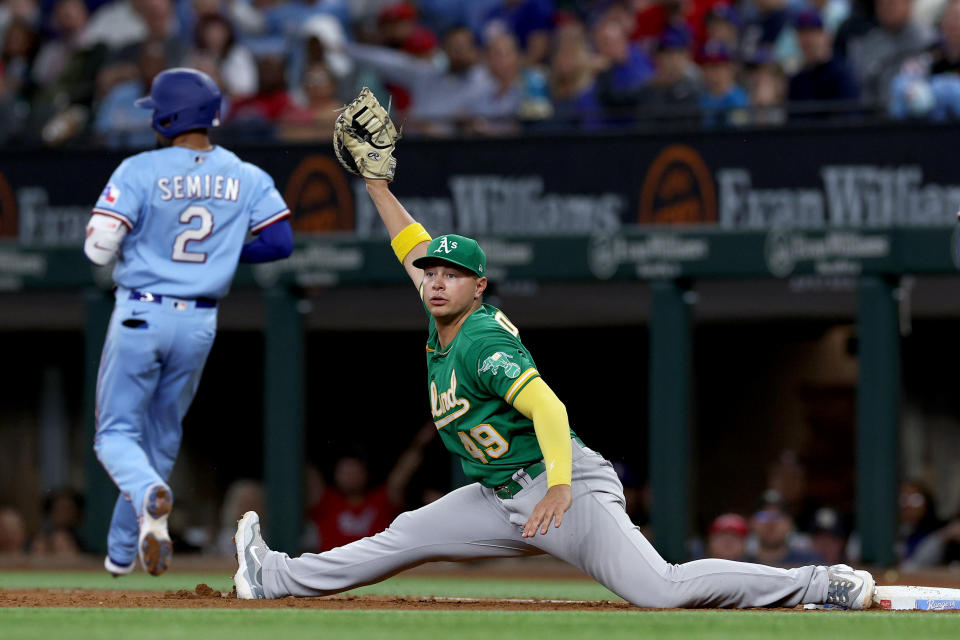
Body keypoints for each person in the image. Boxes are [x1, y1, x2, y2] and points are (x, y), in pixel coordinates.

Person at [232, 87, 876, 610]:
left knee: (661, 590)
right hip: (497, 495)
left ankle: (817, 585)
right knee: (405, 536)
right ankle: (274, 576)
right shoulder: (442, 310)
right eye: (431, 271)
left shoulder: (481, 339)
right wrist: (375, 188)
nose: (434, 278)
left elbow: (549, 409)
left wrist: (561, 491)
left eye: (449, 274)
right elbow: (411, 244)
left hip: (557, 487)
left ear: (477, 286)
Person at [84, 67, 293, 577]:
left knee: (114, 436)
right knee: (158, 437)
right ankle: (119, 557)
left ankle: (148, 494)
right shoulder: (243, 173)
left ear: (166, 116)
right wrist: (220, 253)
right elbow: (280, 240)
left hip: (142, 310)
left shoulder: (139, 168)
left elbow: (98, 246)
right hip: (199, 321)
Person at [309, 424, 434, 551]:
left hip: (378, 569)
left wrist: (419, 443)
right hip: (334, 568)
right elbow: (308, 472)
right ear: (335, 474)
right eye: (345, 473)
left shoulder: (381, 500)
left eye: (355, 472)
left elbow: (402, 473)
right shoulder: (325, 501)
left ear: (365, 474)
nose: (350, 477)